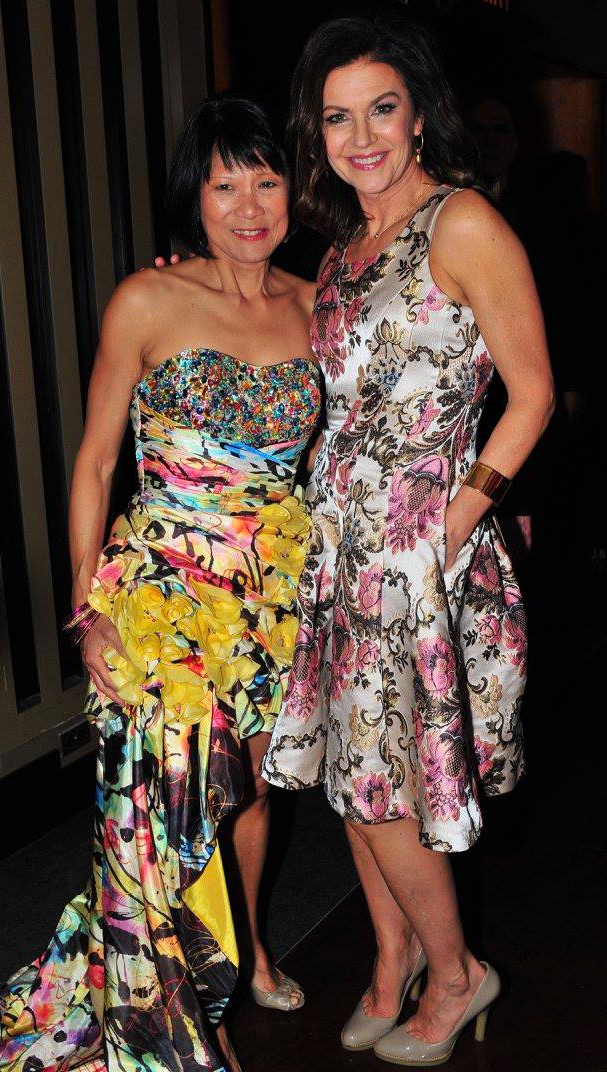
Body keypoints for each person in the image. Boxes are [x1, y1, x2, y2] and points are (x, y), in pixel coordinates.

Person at [0, 95, 320, 1072]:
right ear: (194, 194)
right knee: (162, 816)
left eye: (265, 180)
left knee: (246, 794)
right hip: (160, 598)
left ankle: (243, 954)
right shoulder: (146, 300)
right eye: (224, 184)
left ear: (292, 190)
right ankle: (184, 1020)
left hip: (270, 597)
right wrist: (88, 611)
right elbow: (96, 463)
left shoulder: (320, 305)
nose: (247, 205)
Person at [262, 13, 554, 1067]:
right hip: (339, 547)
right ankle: (392, 965)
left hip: (417, 552)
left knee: (387, 786)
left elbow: (532, 394)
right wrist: (202, 277)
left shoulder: (461, 222)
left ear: (419, 111)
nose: (361, 137)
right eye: (337, 118)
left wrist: (447, 524)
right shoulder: (342, 251)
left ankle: (457, 971)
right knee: (353, 773)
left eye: (380, 109)